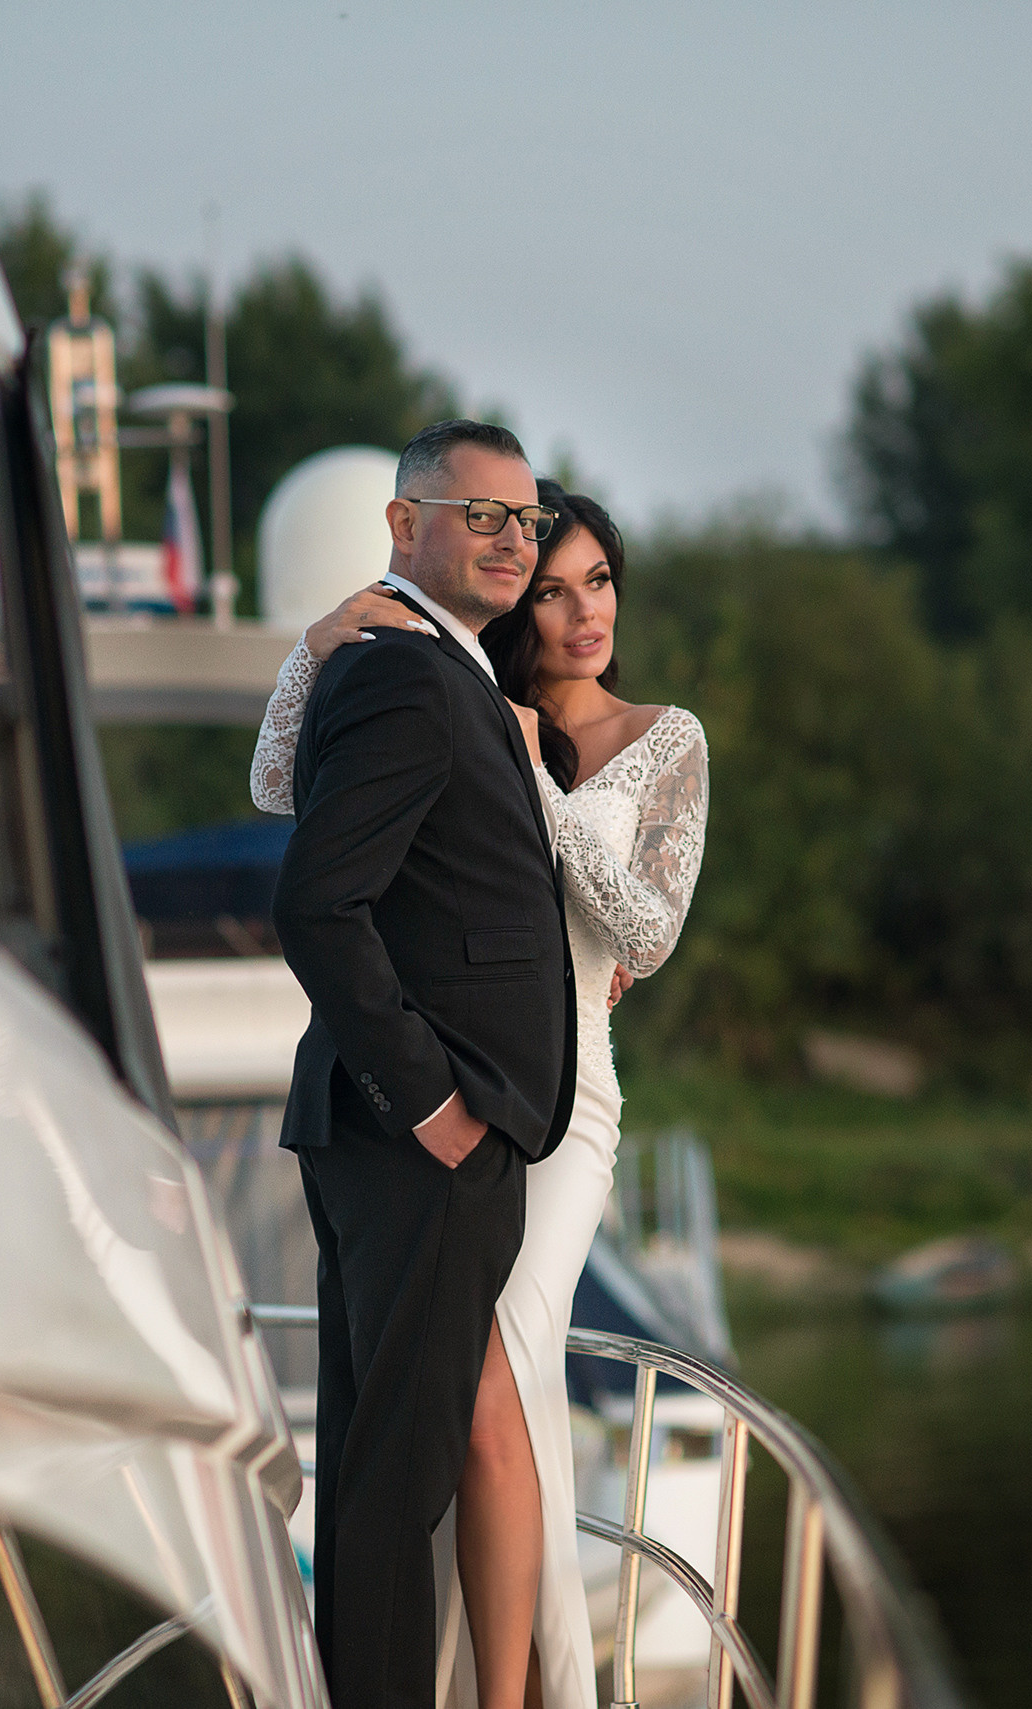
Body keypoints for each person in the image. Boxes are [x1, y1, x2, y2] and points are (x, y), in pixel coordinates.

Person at [254, 480, 710, 1709]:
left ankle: (520, 1690)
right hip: (464, 1090)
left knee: (497, 1368)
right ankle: (488, 1681)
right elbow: (276, 791)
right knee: (477, 1394)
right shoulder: (452, 700)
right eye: (552, 588)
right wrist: (314, 645)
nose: (580, 613)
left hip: (571, 1100)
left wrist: (544, 794)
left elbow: (648, 932)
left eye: (598, 582)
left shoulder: (664, 735)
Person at [270, 420, 578, 1709]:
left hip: (405, 1139)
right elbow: (317, 903)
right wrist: (438, 1104)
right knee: (392, 1489)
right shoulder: (405, 673)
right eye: (480, 514)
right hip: (418, 1144)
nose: (511, 540)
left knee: (375, 1478)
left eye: (526, 519)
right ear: (405, 526)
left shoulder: (434, 670)